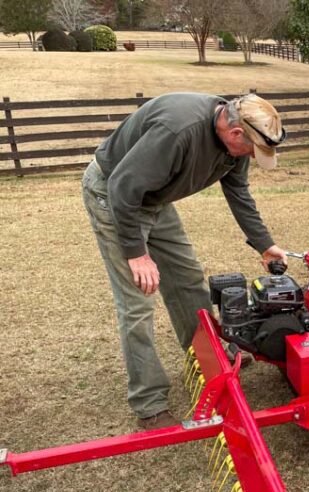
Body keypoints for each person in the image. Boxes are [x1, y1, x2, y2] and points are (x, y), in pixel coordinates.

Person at [81, 92, 287, 430]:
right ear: (235, 134)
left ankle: (208, 360)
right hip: (114, 196)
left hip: (154, 198)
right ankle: (149, 404)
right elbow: (122, 187)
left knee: (188, 277)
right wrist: (136, 254)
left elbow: (238, 192)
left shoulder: (238, 139)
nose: (250, 156)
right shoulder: (178, 131)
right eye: (251, 150)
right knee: (138, 300)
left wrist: (265, 245)